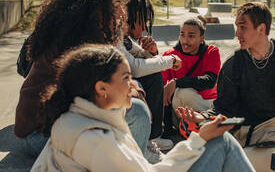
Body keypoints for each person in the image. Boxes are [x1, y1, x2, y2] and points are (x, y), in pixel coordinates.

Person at [31, 44, 256, 172]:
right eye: (127, 78)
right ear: (102, 88)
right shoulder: (95, 139)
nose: (134, 85)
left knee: (216, 142)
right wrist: (198, 140)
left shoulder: (75, 119)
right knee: (221, 143)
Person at [14, 0, 151, 158]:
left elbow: (116, 81)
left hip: (65, 124)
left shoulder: (93, 34)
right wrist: (136, 95)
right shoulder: (74, 44)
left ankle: (125, 159)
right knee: (137, 112)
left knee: (134, 93)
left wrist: (133, 90)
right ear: (95, 8)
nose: (122, 13)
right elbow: (98, 96)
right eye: (116, 5)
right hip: (40, 135)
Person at [178, 2, 275, 171]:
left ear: (261, 29)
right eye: (237, 27)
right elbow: (221, 108)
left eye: (243, 27)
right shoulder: (234, 66)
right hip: (255, 132)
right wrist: (202, 118)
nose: (236, 33)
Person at [122, 0, 181, 157]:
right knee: (145, 80)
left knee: (154, 76)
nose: (146, 27)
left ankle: (151, 137)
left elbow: (141, 56)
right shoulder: (115, 35)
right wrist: (171, 60)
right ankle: (144, 143)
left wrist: (152, 52)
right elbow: (135, 68)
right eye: (144, 21)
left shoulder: (126, 38)